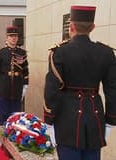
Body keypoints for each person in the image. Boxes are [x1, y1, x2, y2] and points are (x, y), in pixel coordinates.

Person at [44, 6, 116, 160]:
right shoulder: (106, 52)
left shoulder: (59, 52)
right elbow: (113, 90)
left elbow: (52, 90)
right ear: (93, 27)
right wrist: (111, 120)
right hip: (95, 116)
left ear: (71, 26)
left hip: (66, 117)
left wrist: (49, 120)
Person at [0, 26, 29, 124]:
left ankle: (14, 134)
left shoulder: (22, 53)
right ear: (7, 37)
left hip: (17, 87)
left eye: (15, 36)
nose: (13, 38)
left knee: (16, 114)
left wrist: (25, 86)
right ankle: (4, 134)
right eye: (11, 36)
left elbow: (25, 71)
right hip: (4, 86)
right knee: (3, 113)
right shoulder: (0, 53)